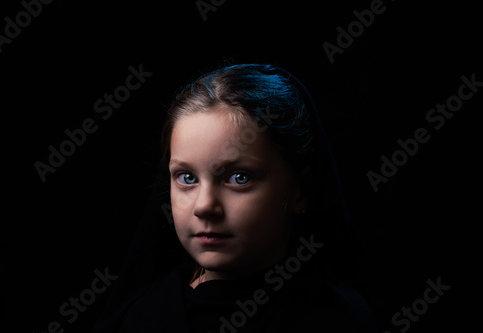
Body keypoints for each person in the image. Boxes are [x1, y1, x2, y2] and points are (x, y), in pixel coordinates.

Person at [91, 64, 379, 332]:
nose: (204, 206)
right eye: (187, 178)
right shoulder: (142, 316)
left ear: (300, 191)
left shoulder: (336, 320)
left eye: (239, 178)